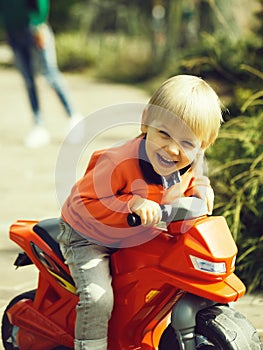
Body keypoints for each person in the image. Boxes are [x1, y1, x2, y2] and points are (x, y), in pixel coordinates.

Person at [57, 74, 223, 350]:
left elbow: (197, 179)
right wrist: (131, 204)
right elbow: (81, 204)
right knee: (99, 298)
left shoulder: (191, 162)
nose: (172, 148)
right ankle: (90, 345)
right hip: (88, 235)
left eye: (187, 143)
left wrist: (202, 192)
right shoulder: (117, 163)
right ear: (146, 121)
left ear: (203, 145)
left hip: (136, 232)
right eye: (164, 134)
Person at [0, 0, 82, 148]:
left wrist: (38, 23)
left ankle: (73, 118)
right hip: (13, 32)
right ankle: (38, 126)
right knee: (28, 81)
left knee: (50, 75)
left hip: (35, 29)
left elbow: (41, 4)